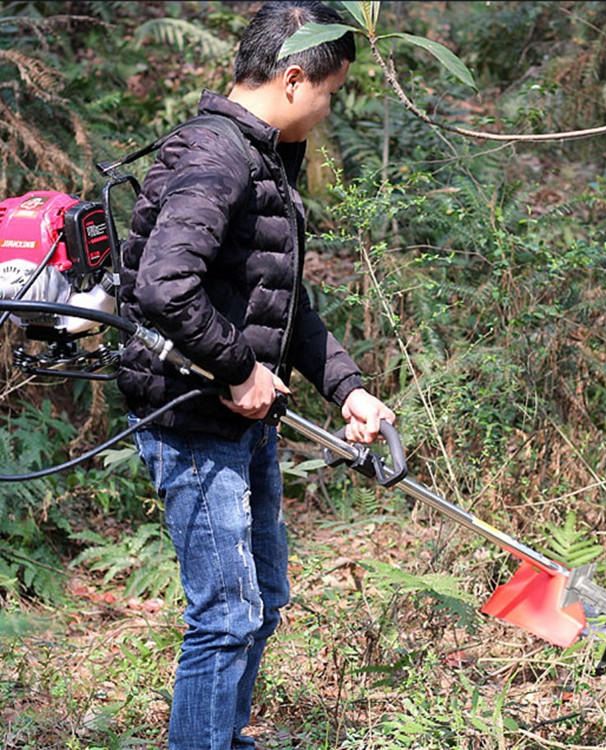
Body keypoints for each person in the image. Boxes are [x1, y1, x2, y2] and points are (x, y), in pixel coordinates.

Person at [117, 2, 395, 748]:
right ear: (296, 78)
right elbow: (163, 286)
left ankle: (224, 734)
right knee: (226, 615)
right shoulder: (216, 157)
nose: (330, 109)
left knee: (264, 599)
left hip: (241, 418)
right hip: (192, 419)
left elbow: (284, 300)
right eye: (332, 91)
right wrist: (239, 370)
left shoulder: (264, 157)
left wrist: (347, 386)